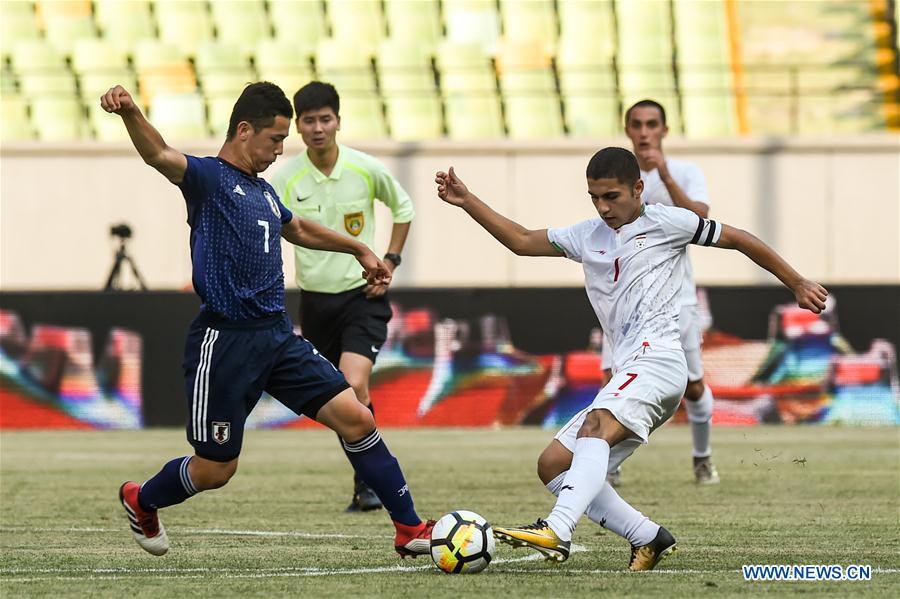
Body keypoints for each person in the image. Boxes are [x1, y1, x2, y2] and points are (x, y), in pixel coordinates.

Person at [434, 148, 827, 570]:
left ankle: (557, 530)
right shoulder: (587, 235)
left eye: (612, 196)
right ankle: (647, 536)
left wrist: (797, 282)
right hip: (631, 368)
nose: (603, 207)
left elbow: (739, 238)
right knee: (553, 464)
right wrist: (468, 200)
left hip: (659, 360)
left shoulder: (668, 222)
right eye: (594, 198)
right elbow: (521, 240)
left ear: (637, 189)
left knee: (595, 425)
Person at [101, 82, 433, 558]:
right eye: (276, 139)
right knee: (216, 469)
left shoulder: (262, 191)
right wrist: (130, 111)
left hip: (277, 337)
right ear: (243, 131)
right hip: (225, 344)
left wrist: (359, 247)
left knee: (357, 419)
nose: (281, 150)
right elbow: (159, 154)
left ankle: (409, 528)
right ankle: (142, 498)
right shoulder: (209, 179)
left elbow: (295, 227)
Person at [271, 81, 414, 513]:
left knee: (354, 383)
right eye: (309, 121)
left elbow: (403, 209)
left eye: (325, 119)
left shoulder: (365, 168)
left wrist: (389, 260)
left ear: (338, 121)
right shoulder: (286, 178)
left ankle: (370, 484)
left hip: (362, 297)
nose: (318, 128)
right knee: (338, 397)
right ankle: (365, 480)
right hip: (314, 303)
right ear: (298, 126)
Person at [605, 98, 720, 486]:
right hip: (626, 298)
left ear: (664, 130)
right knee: (613, 376)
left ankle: (702, 458)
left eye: (651, 124)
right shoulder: (616, 177)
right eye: (636, 124)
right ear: (627, 129)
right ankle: (606, 460)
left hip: (677, 299)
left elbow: (703, 221)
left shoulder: (684, 172)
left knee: (694, 384)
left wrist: (664, 174)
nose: (643, 132)